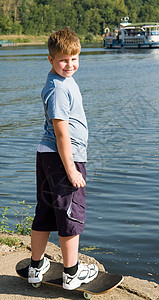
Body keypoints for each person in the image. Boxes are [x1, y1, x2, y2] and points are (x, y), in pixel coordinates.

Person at [28, 26, 98, 290]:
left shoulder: (61, 81)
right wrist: (71, 170)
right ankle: (71, 273)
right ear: (51, 60)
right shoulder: (57, 89)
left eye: (74, 59)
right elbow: (60, 132)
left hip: (49, 157)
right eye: (64, 60)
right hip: (62, 158)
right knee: (71, 213)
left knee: (45, 211)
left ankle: (36, 267)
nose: (70, 65)